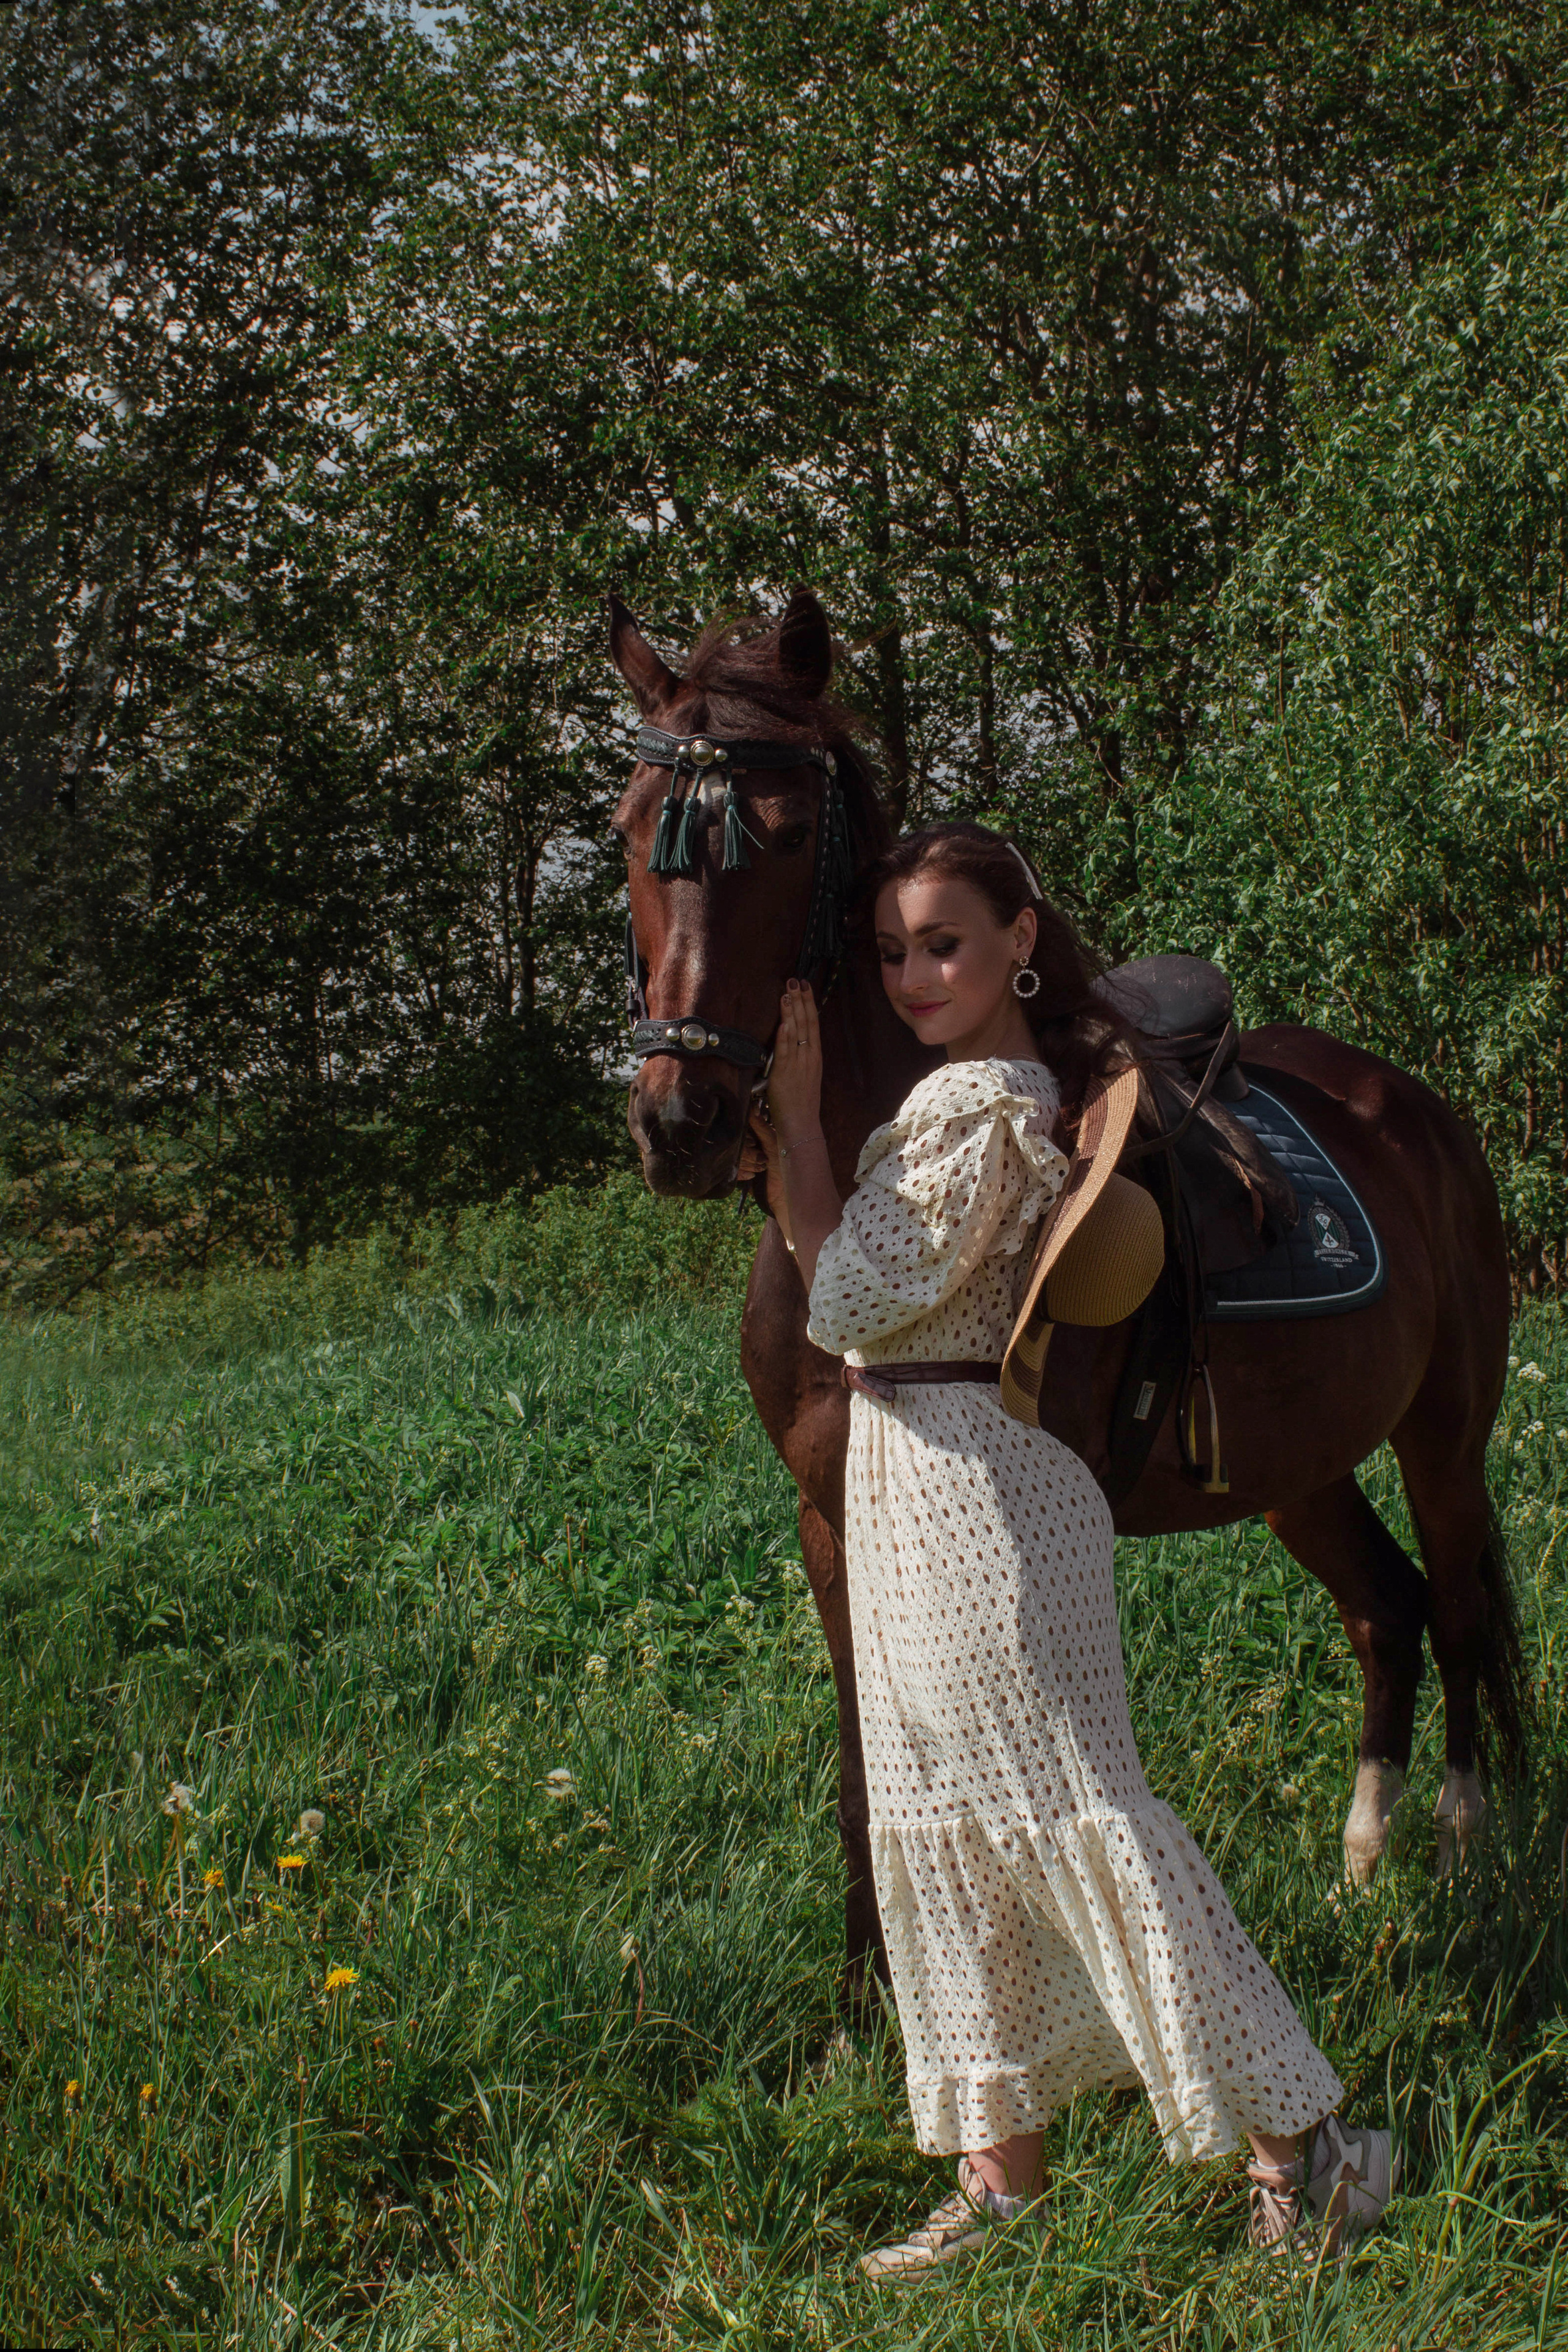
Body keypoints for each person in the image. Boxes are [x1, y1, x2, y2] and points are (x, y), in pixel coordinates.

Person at [747, 821, 1397, 2277]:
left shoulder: (981, 1104)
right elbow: (857, 1301)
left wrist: (794, 1127)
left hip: (981, 1502)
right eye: (894, 951)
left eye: (947, 943)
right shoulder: (945, 1098)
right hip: (911, 1490)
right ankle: (998, 2183)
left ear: (1018, 943)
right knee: (951, 1846)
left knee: (1088, 1831)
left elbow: (845, 1300)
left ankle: (1311, 2148)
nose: (916, 975)